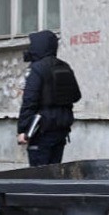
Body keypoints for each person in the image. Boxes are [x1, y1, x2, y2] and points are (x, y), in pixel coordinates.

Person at [16, 30, 79, 166]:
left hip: (41, 131)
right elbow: (76, 96)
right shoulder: (64, 66)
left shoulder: (37, 69)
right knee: (54, 174)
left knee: (39, 176)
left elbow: (29, 102)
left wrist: (23, 130)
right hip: (61, 130)